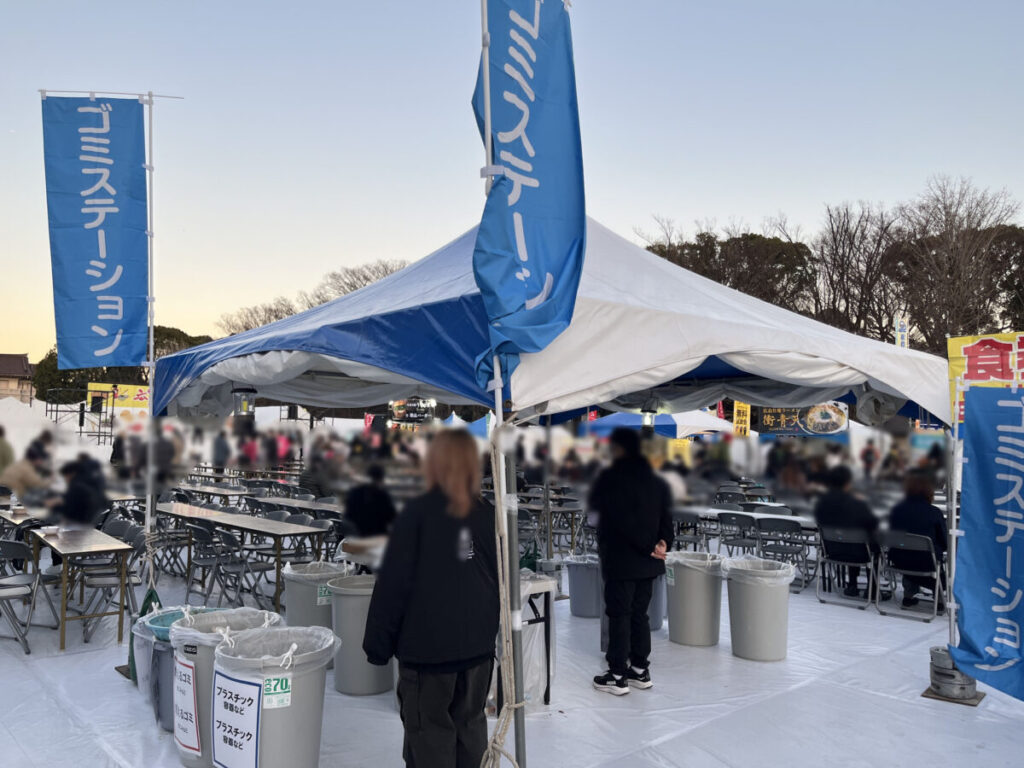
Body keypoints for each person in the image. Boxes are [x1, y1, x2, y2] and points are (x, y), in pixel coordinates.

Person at [363, 430, 498, 768]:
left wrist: (377, 646)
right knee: (471, 726)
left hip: (429, 650)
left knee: (429, 735)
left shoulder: (417, 514)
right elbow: (499, 575)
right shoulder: (486, 513)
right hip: (478, 647)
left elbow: (392, 585)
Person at [589, 428, 673, 695]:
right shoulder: (657, 480)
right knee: (640, 614)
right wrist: (662, 543)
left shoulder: (611, 479)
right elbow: (667, 520)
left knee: (619, 615)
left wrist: (648, 546)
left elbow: (619, 520)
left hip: (622, 560)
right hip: (649, 564)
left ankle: (617, 674)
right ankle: (639, 668)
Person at [813, 465, 879, 598]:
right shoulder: (857, 504)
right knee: (871, 543)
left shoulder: (821, 503)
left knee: (851, 537)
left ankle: (852, 585)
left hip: (831, 551)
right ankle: (872, 588)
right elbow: (873, 524)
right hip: (858, 552)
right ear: (848, 483)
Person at [888, 469, 948, 608]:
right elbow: (944, 542)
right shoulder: (934, 512)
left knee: (908, 550)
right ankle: (939, 597)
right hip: (927, 562)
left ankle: (908, 594)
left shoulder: (896, 510)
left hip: (899, 560)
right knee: (931, 557)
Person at [345, 464, 397, 537]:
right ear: (381, 479)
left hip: (355, 535)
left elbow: (348, 515)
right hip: (377, 535)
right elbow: (392, 518)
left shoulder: (355, 492)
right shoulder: (384, 496)